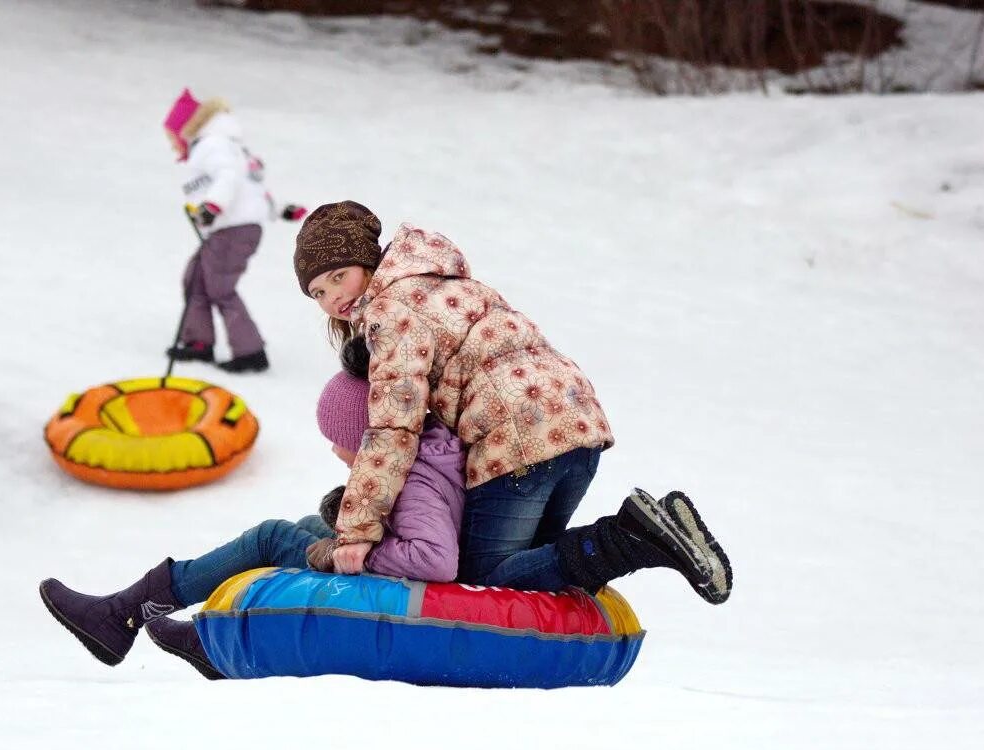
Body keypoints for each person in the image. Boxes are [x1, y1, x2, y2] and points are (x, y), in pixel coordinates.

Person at [294, 201, 733, 602]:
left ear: (369, 261)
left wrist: (355, 535)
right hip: (576, 423)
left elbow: (394, 428)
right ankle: (650, 531)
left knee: (484, 582)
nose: (332, 296)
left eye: (338, 276)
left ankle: (634, 535)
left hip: (515, 441)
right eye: (318, 292)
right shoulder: (444, 282)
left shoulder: (390, 312)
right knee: (537, 568)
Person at [38, 340, 465, 679]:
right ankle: (210, 643)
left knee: (273, 537)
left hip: (403, 579)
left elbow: (435, 559)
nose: (335, 450)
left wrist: (352, 554)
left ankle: (122, 615)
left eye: (342, 440)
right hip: (395, 556)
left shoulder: (416, 480)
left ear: (372, 438)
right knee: (305, 526)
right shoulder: (414, 450)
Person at [162, 88, 302, 373]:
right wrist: (279, 209)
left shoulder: (211, 145)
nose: (173, 146)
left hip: (232, 230)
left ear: (185, 129)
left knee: (220, 288)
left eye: (173, 138)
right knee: (196, 278)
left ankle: (250, 352)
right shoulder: (227, 146)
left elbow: (229, 178)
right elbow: (251, 188)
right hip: (235, 227)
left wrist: (211, 207)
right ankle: (198, 342)